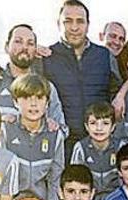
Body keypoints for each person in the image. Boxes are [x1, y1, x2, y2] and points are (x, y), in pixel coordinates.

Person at [1, 74, 67, 200]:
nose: (33, 104)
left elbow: (55, 179)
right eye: (27, 98)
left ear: (47, 103)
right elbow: (0, 178)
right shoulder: (5, 130)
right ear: (15, 102)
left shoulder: (55, 135)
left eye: (39, 98)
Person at [44, 0, 123, 156]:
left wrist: (120, 96)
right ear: (58, 23)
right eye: (68, 21)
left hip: (99, 145)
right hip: (61, 145)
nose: (74, 27)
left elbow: (118, 90)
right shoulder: (47, 57)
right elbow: (21, 79)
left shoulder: (104, 55)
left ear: (88, 24)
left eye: (80, 21)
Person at [0, 24, 66, 132]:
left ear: (35, 50)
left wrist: (50, 127)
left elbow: (62, 130)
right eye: (18, 41)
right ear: (6, 47)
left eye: (30, 43)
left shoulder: (47, 87)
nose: (24, 47)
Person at [70, 102, 128, 200]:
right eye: (93, 123)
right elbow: (75, 179)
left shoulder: (120, 147)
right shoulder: (80, 147)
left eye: (105, 123)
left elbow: (126, 179)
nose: (99, 128)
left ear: (113, 127)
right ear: (86, 127)